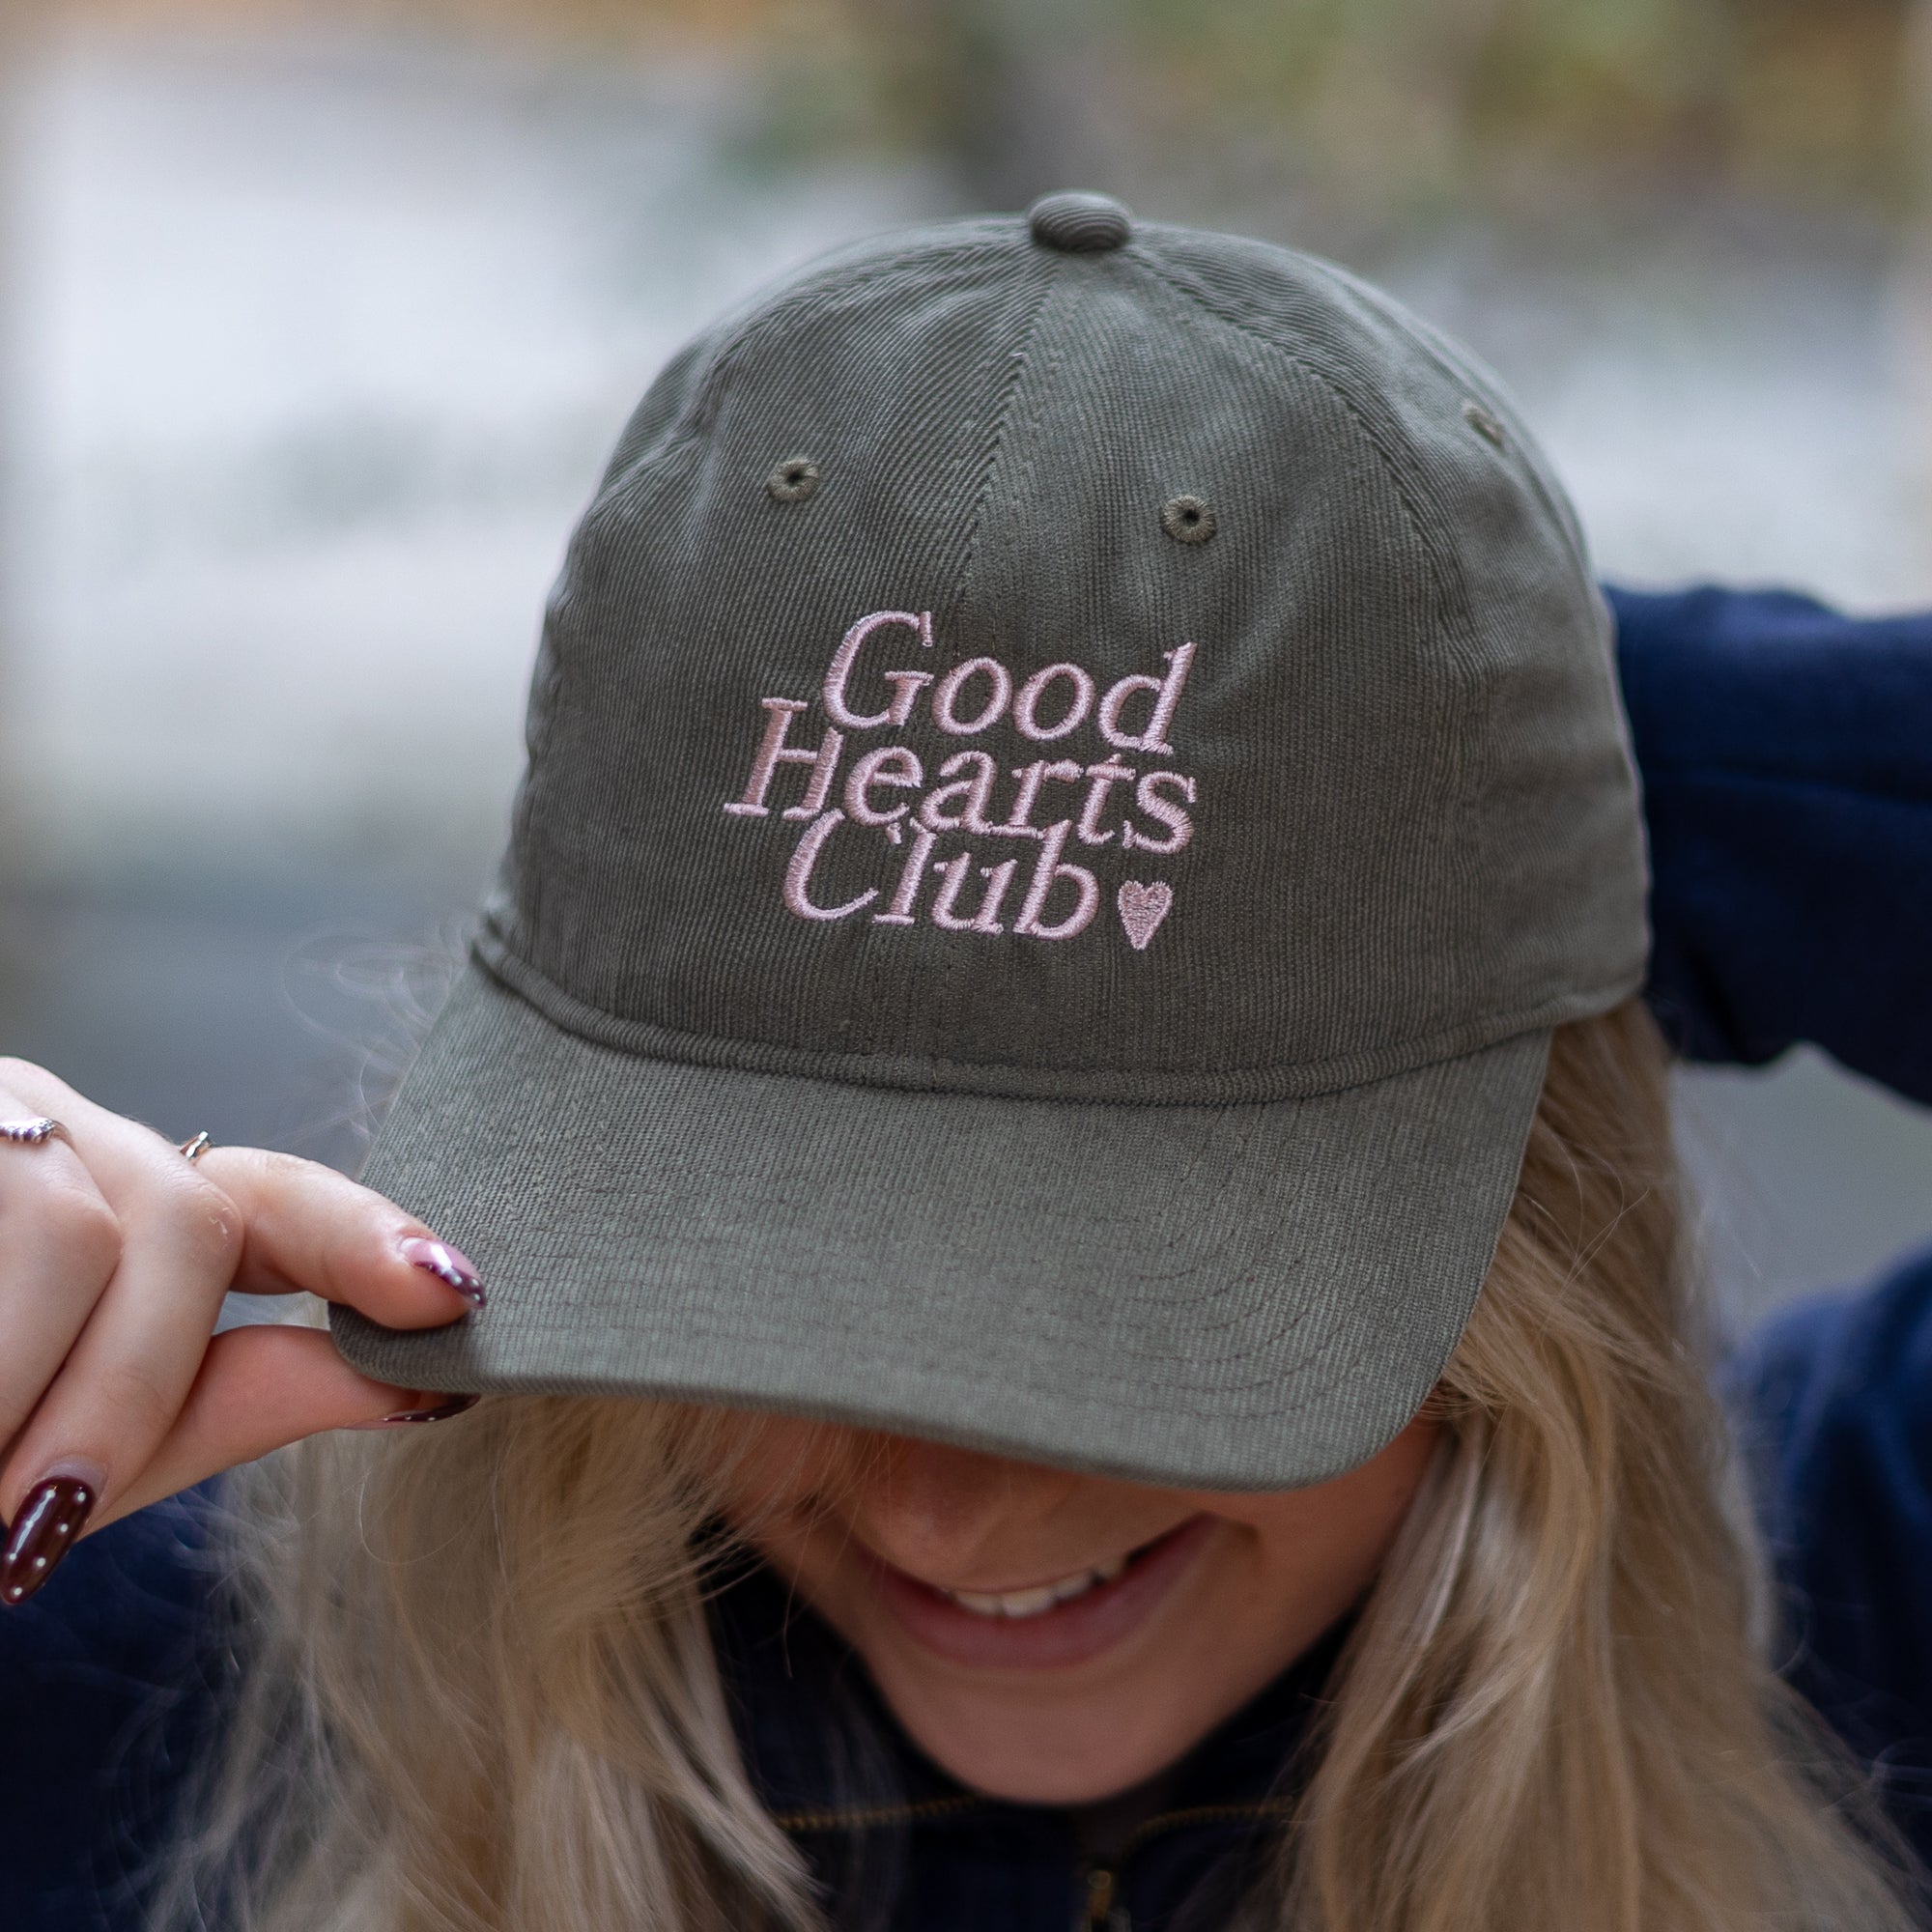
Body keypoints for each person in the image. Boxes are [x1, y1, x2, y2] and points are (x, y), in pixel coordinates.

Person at [1, 192, 1928, 1932]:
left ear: (1516, 1216)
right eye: (771, 1281)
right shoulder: (189, 1679)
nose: (945, 1514)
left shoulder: (1850, 1608)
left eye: (1141, 1310)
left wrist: (1458, 725)